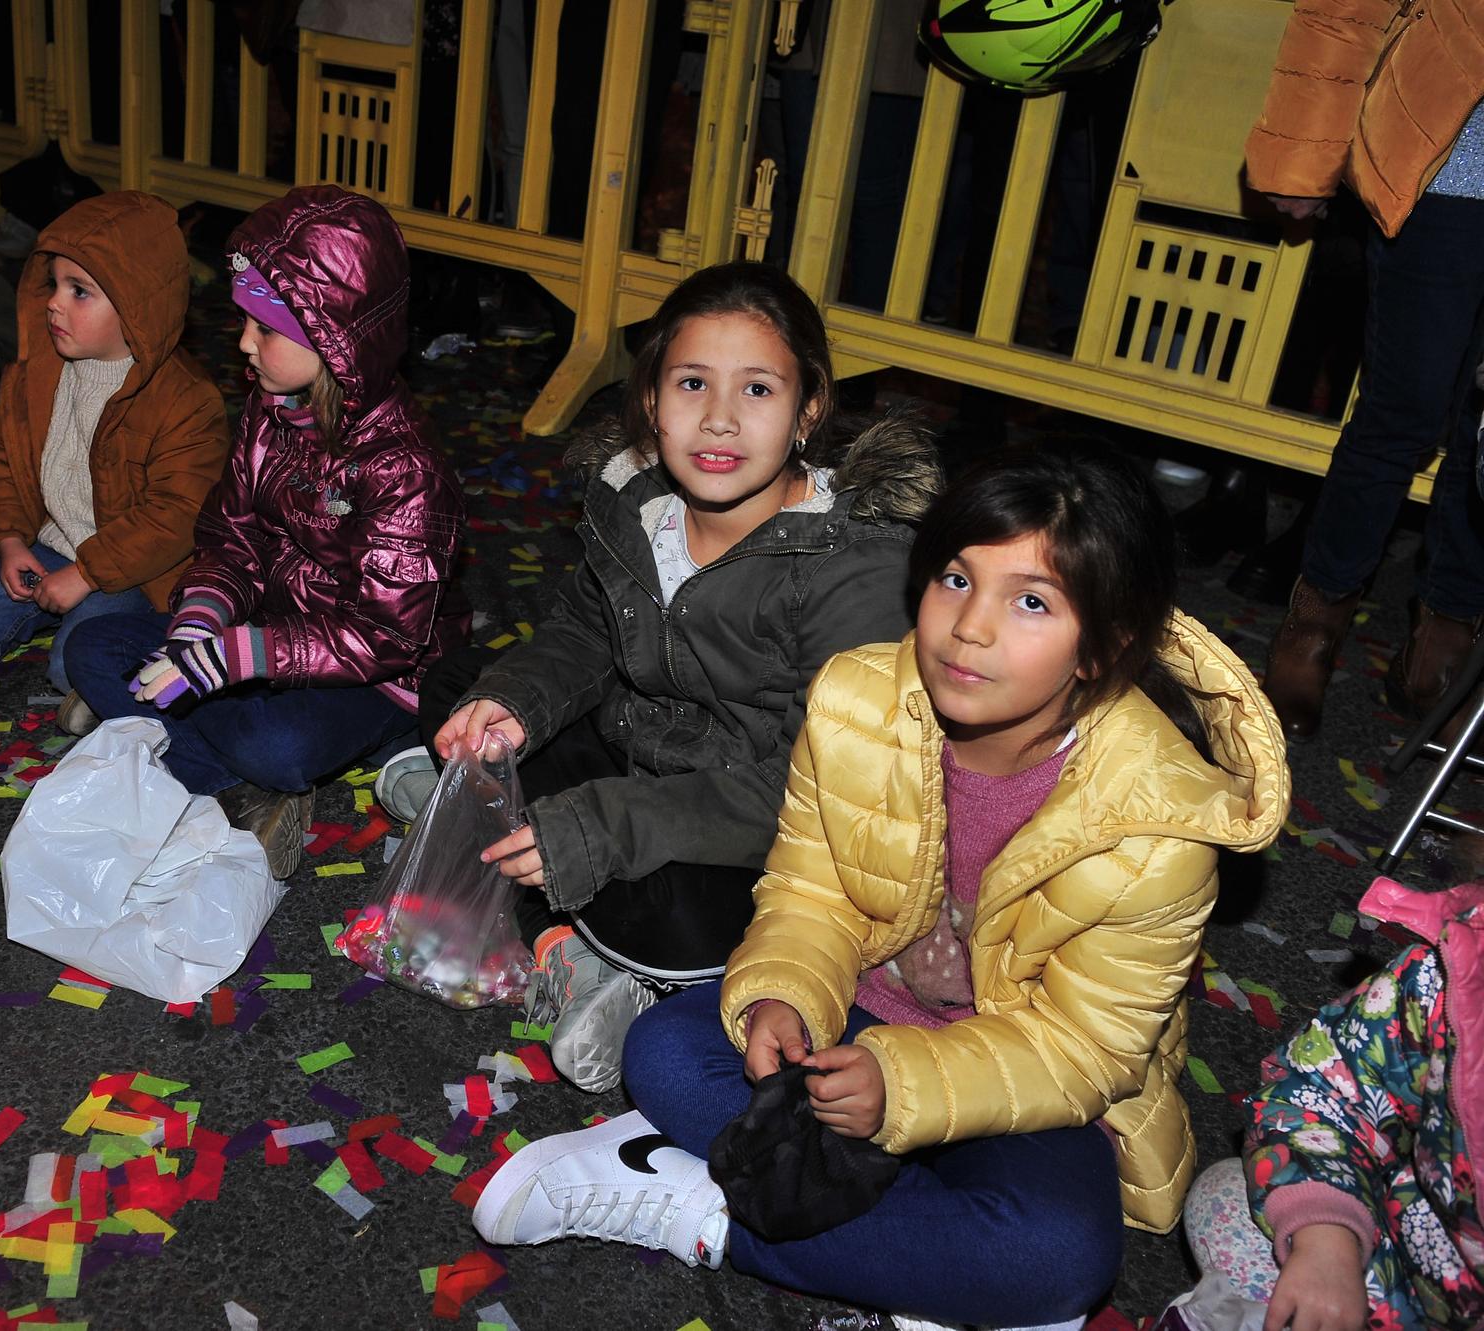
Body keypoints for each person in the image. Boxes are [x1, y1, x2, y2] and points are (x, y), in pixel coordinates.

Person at [470, 448, 1290, 1330]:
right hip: (856, 1018)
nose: (969, 627)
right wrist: (785, 991)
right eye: (954, 577)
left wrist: (900, 1092)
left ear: (1106, 646)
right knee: (665, 1053)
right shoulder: (857, 699)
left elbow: (1085, 1051)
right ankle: (916, 1240)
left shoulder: (1159, 825)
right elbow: (807, 893)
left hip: (1020, 1075)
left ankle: (704, 1210)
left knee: (1058, 1259)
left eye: (1031, 601)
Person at [381, 260, 938, 1092]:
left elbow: (810, 788)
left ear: (808, 409)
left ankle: (583, 938)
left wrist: (608, 827)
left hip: (754, 823)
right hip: (635, 750)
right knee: (464, 681)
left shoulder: (852, 570)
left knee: (675, 915)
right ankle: (561, 929)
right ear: (650, 401)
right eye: (691, 384)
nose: (718, 421)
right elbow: (585, 631)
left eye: (757, 390)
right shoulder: (633, 498)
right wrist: (515, 705)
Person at [62, 185, 468, 881]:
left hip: (376, 675)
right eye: (245, 320)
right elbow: (232, 536)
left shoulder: (405, 468)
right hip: (266, 640)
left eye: (267, 329)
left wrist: (235, 659)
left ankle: (220, 758)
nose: (244, 344)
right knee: (90, 646)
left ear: (339, 338)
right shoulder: (267, 408)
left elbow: (386, 636)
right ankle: (230, 781)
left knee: (277, 746)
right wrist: (199, 624)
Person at [1246, 0, 1484, 740]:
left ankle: (1442, 651)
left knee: (1483, 437)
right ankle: (1311, 632)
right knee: (1401, 411)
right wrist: (1300, 155)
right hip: (1450, 170)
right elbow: (1343, 12)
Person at [0, 191, 230, 714]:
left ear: (135, 306)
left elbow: (177, 514)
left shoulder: (186, 400)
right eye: (55, 284)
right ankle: (76, 621)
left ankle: (159, 637)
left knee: (71, 666)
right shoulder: (37, 372)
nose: (53, 302)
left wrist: (87, 576)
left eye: (79, 291)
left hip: (134, 566)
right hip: (51, 544)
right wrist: (11, 540)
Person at [1174, 876, 1483, 1331]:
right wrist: (1327, 1234)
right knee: (1226, 1201)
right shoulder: (1453, 970)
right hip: (1406, 1269)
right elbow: (1323, 1087)